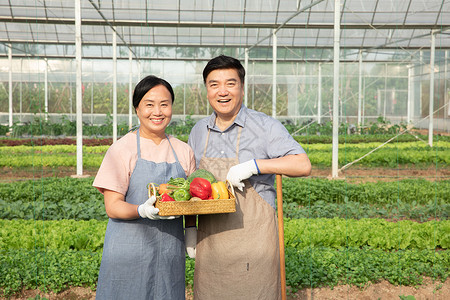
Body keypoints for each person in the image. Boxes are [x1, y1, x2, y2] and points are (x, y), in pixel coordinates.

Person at [185, 55, 312, 299]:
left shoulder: (265, 126)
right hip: (210, 243)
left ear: (242, 88)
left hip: (254, 244)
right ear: (206, 90)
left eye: (230, 83)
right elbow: (193, 185)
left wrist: (256, 165)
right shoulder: (199, 131)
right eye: (214, 84)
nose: (222, 91)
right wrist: (190, 229)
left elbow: (302, 164)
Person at [93, 75, 196, 300]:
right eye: (149, 105)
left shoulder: (183, 151)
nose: (157, 112)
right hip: (128, 250)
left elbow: (190, 200)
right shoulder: (121, 149)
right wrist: (142, 210)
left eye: (164, 104)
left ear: (172, 108)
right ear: (137, 109)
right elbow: (112, 207)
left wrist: (191, 232)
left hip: (170, 249)